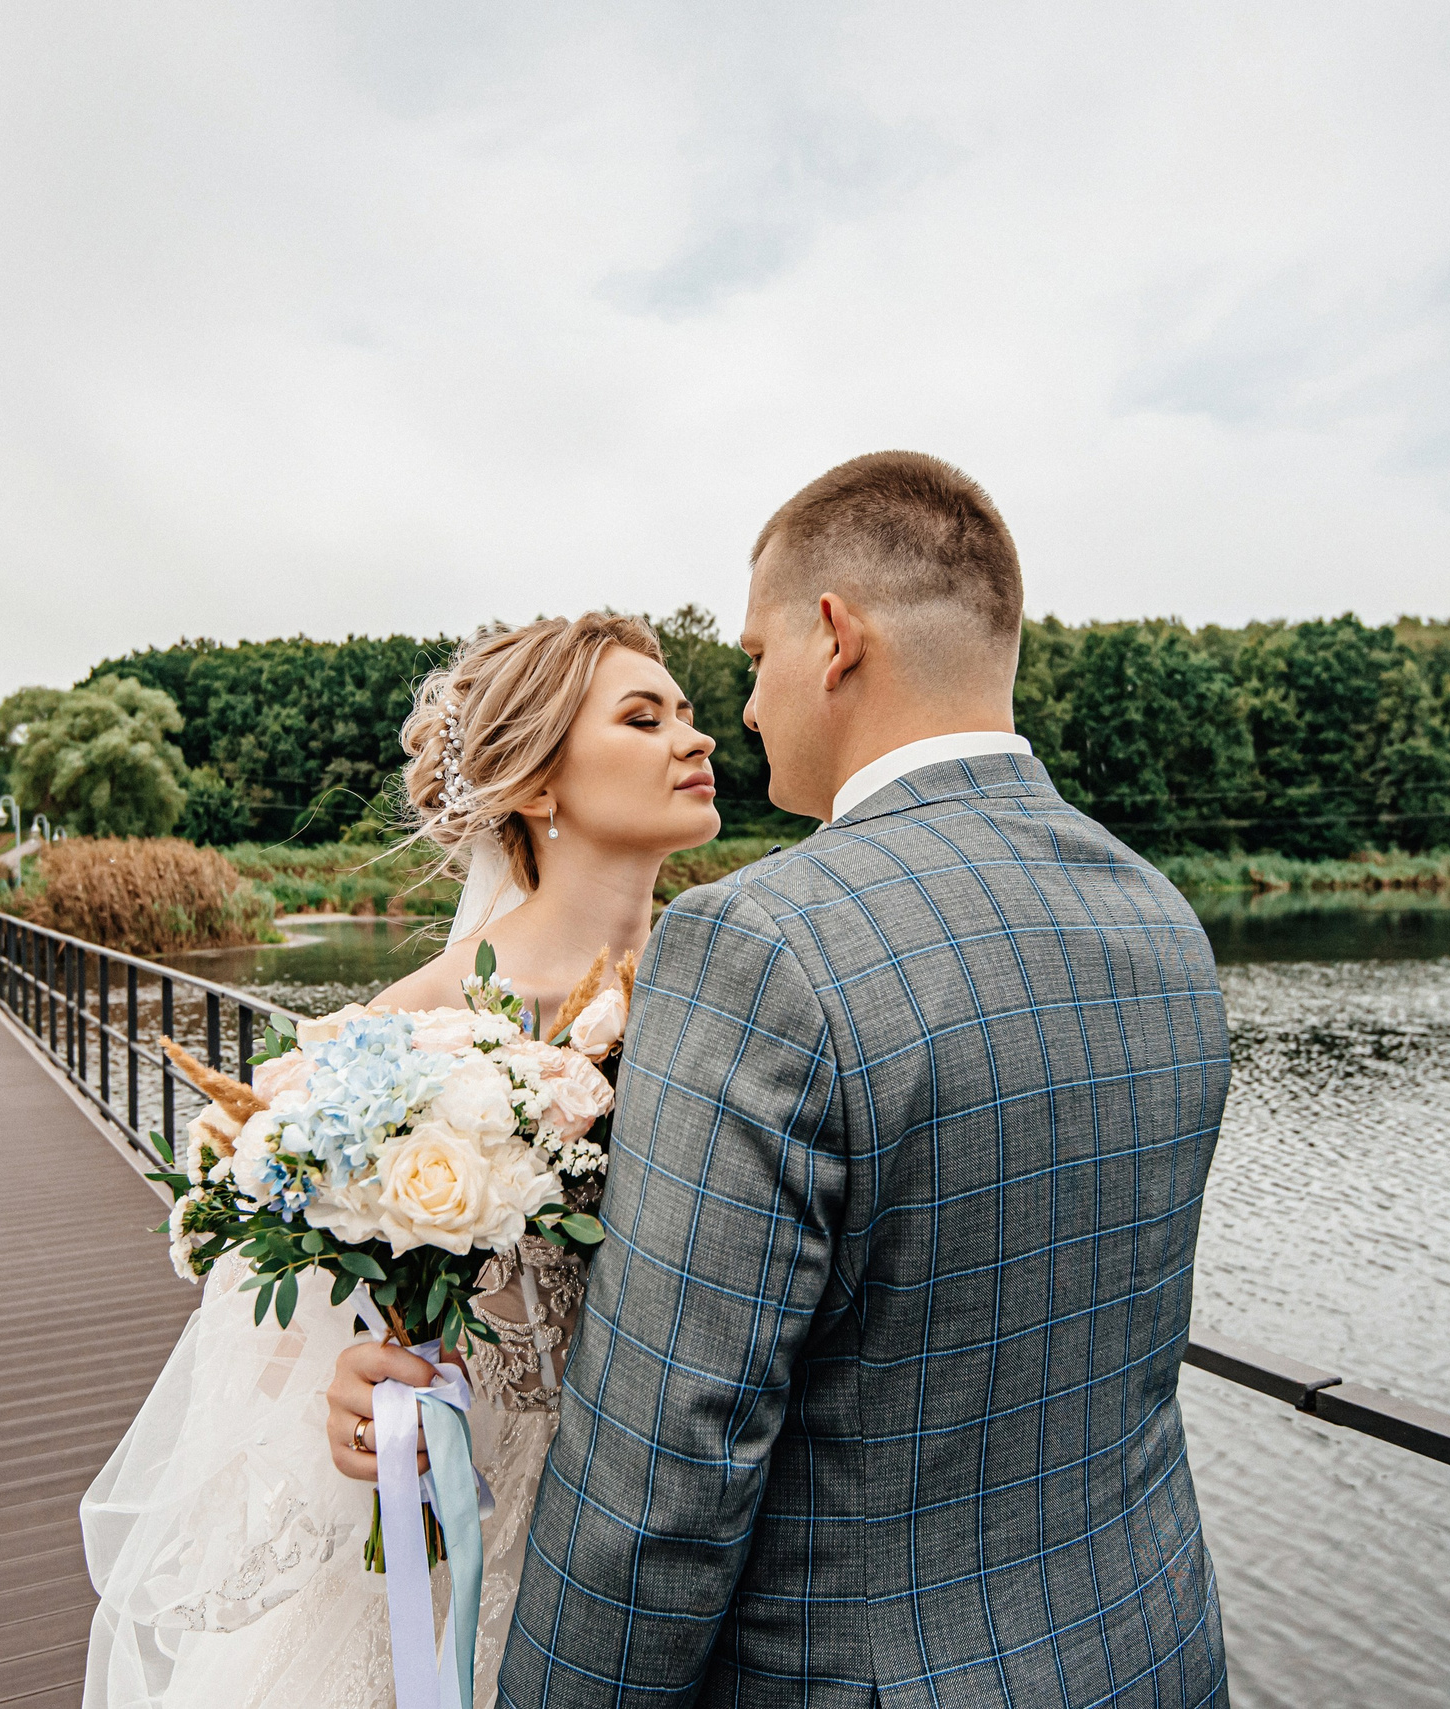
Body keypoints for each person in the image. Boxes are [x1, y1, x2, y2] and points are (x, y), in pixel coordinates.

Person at [347, 451, 1232, 1706]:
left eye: (751, 660)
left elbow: (662, 1481)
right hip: (1147, 1648)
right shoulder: (1158, 915)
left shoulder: (762, 951)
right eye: (649, 712)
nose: (740, 713)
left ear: (834, 638)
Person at [80, 612, 723, 1709]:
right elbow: (279, 1311)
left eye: (691, 712)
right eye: (643, 716)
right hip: (481, 1523)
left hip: (688, 1522)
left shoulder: (729, 986)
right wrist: (347, 1391)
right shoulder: (416, 1024)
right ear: (536, 785)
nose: (696, 737)